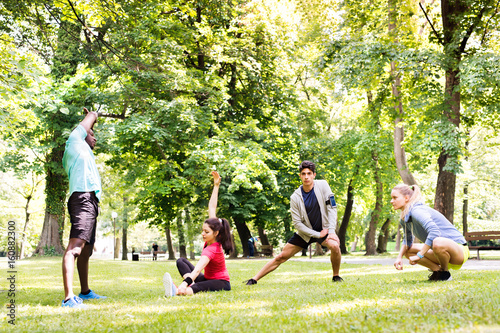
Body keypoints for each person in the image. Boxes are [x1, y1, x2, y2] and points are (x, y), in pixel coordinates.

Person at [245, 160, 343, 285]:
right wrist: (317, 235)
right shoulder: (295, 197)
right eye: (303, 173)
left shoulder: (323, 185)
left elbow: (332, 207)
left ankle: (336, 276)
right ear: (300, 176)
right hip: (306, 233)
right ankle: (254, 279)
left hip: (324, 229)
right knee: (281, 256)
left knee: (335, 246)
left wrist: (331, 231)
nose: (306, 176)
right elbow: (298, 224)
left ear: (314, 175)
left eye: (309, 173)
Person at [61, 107, 107, 309]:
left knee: (86, 250)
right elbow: (88, 120)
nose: (95, 139)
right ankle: (68, 298)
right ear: (82, 134)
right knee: (75, 248)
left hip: (90, 199)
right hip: (82, 198)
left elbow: (87, 127)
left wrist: (91, 124)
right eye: (92, 134)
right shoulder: (74, 142)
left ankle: (85, 292)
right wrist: (93, 116)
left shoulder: (84, 151)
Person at [163, 171, 234, 296]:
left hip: (221, 282)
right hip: (208, 278)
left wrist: (184, 283)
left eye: (206, 232)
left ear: (216, 233)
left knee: (197, 287)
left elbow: (197, 270)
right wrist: (216, 186)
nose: (203, 234)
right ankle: (187, 285)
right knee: (181, 261)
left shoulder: (211, 250)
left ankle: (178, 291)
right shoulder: (214, 236)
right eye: (203, 230)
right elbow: (212, 207)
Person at [391, 184, 470, 281]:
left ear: (406, 198)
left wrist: (419, 255)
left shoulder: (417, 211)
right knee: (408, 251)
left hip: (458, 251)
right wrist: (399, 257)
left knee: (437, 241)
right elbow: (407, 241)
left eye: (395, 198)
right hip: (440, 253)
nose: (392, 201)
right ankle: (439, 272)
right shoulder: (404, 218)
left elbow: (434, 231)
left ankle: (444, 273)